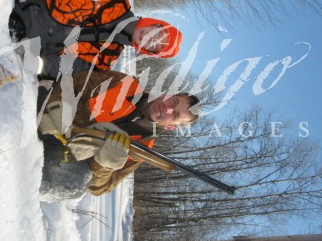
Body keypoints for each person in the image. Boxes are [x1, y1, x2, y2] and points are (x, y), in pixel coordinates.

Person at [10, 0, 183, 80]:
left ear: (147, 51)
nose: (150, 38)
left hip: (32, 51)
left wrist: (39, 65)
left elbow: (68, 68)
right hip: (27, 19)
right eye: (158, 34)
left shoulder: (107, 58)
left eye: (155, 46)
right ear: (155, 23)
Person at [37, 69, 201, 199]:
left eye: (175, 115)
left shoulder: (142, 150)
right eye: (173, 102)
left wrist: (105, 164)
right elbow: (72, 82)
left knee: (76, 183)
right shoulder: (126, 85)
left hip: (60, 152)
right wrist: (57, 106)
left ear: (171, 127)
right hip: (43, 114)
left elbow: (98, 188)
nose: (168, 108)